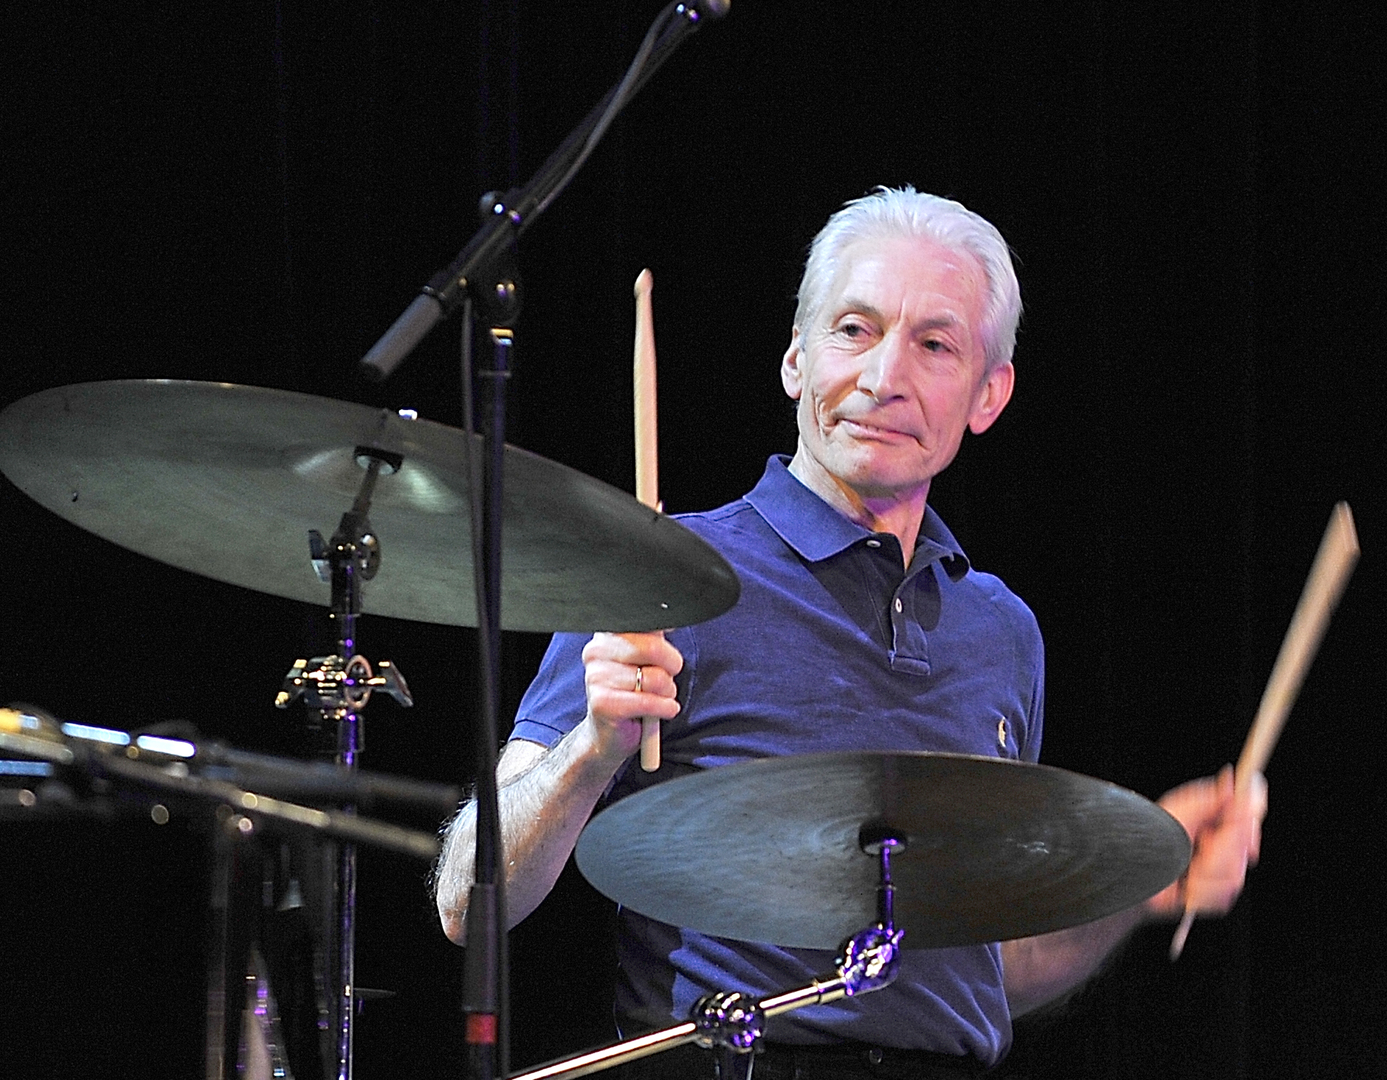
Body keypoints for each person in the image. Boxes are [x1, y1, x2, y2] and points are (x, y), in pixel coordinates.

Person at [434, 186, 1267, 1076]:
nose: (882, 378)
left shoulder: (1001, 631)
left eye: (934, 345)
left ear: (988, 395)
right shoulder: (666, 578)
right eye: (853, 330)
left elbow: (981, 966)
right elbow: (464, 899)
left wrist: (1142, 889)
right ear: (796, 360)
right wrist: (589, 751)